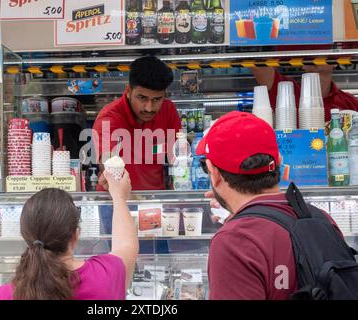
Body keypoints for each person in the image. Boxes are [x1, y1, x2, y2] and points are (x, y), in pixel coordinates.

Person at [195, 111, 344, 300]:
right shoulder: (322, 218)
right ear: (279, 161)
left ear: (213, 173)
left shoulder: (234, 242)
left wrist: (239, 227)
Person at [0, 170, 138, 300]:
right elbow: (127, 246)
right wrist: (119, 198)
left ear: (26, 236)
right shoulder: (106, 276)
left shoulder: (2, 296)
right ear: (75, 234)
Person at [93, 56, 182, 191]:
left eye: (157, 99)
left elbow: (179, 156)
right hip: (116, 201)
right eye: (142, 98)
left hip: (156, 200)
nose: (149, 108)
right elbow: (107, 160)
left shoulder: (168, 110)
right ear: (128, 91)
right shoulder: (109, 118)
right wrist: (109, 169)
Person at [251, 65, 358, 121]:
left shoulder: (351, 102)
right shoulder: (287, 90)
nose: (315, 57)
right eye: (310, 52)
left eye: (321, 51)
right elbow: (258, 65)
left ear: (335, 62)